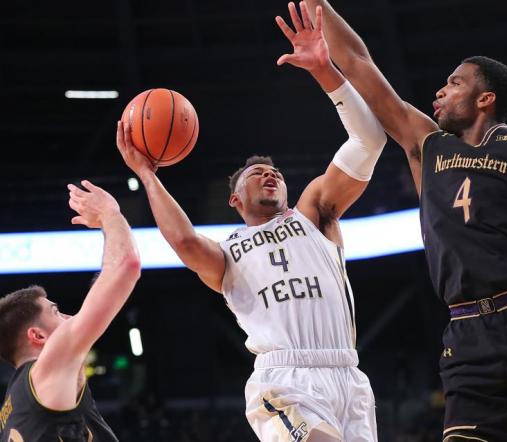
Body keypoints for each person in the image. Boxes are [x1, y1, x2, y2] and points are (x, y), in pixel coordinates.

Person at [300, 0, 507, 440]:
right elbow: (358, 61)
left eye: (455, 82)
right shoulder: (425, 144)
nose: (441, 91)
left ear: (486, 99)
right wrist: (319, 7)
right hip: (466, 332)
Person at [116, 5, 386, 441]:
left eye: (275, 171)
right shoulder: (228, 254)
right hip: (285, 379)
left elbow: (369, 140)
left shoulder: (314, 212)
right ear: (234, 199)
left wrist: (325, 70)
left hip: (349, 376)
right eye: (255, 173)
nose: (269, 173)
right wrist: (146, 174)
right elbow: (183, 241)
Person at [0, 180, 141, 441]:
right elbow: (125, 267)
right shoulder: (46, 368)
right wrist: (110, 213)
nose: (70, 317)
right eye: (56, 313)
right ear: (38, 336)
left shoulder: (13, 406)